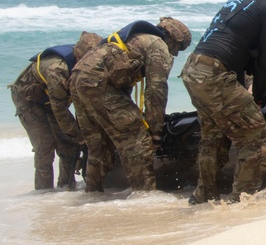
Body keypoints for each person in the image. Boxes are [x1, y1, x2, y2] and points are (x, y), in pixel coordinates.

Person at [181, 0, 266, 204]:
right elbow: (264, 59)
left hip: (194, 69)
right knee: (255, 136)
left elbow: (237, 53)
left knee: (213, 136)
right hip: (216, 74)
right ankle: (243, 200)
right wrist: (260, 97)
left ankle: (204, 194)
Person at [71, 17, 192, 192]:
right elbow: (156, 90)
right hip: (99, 84)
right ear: (173, 39)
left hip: (78, 79)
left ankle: (92, 194)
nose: (176, 54)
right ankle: (145, 197)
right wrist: (155, 131)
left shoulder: (135, 39)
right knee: (139, 142)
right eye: (179, 48)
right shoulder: (158, 45)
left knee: (99, 146)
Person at [9, 31, 102, 190]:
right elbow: (59, 109)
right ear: (80, 57)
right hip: (29, 101)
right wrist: (79, 136)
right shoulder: (57, 69)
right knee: (45, 148)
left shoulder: (85, 62)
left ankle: (66, 188)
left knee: (69, 145)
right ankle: (43, 194)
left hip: (52, 100)